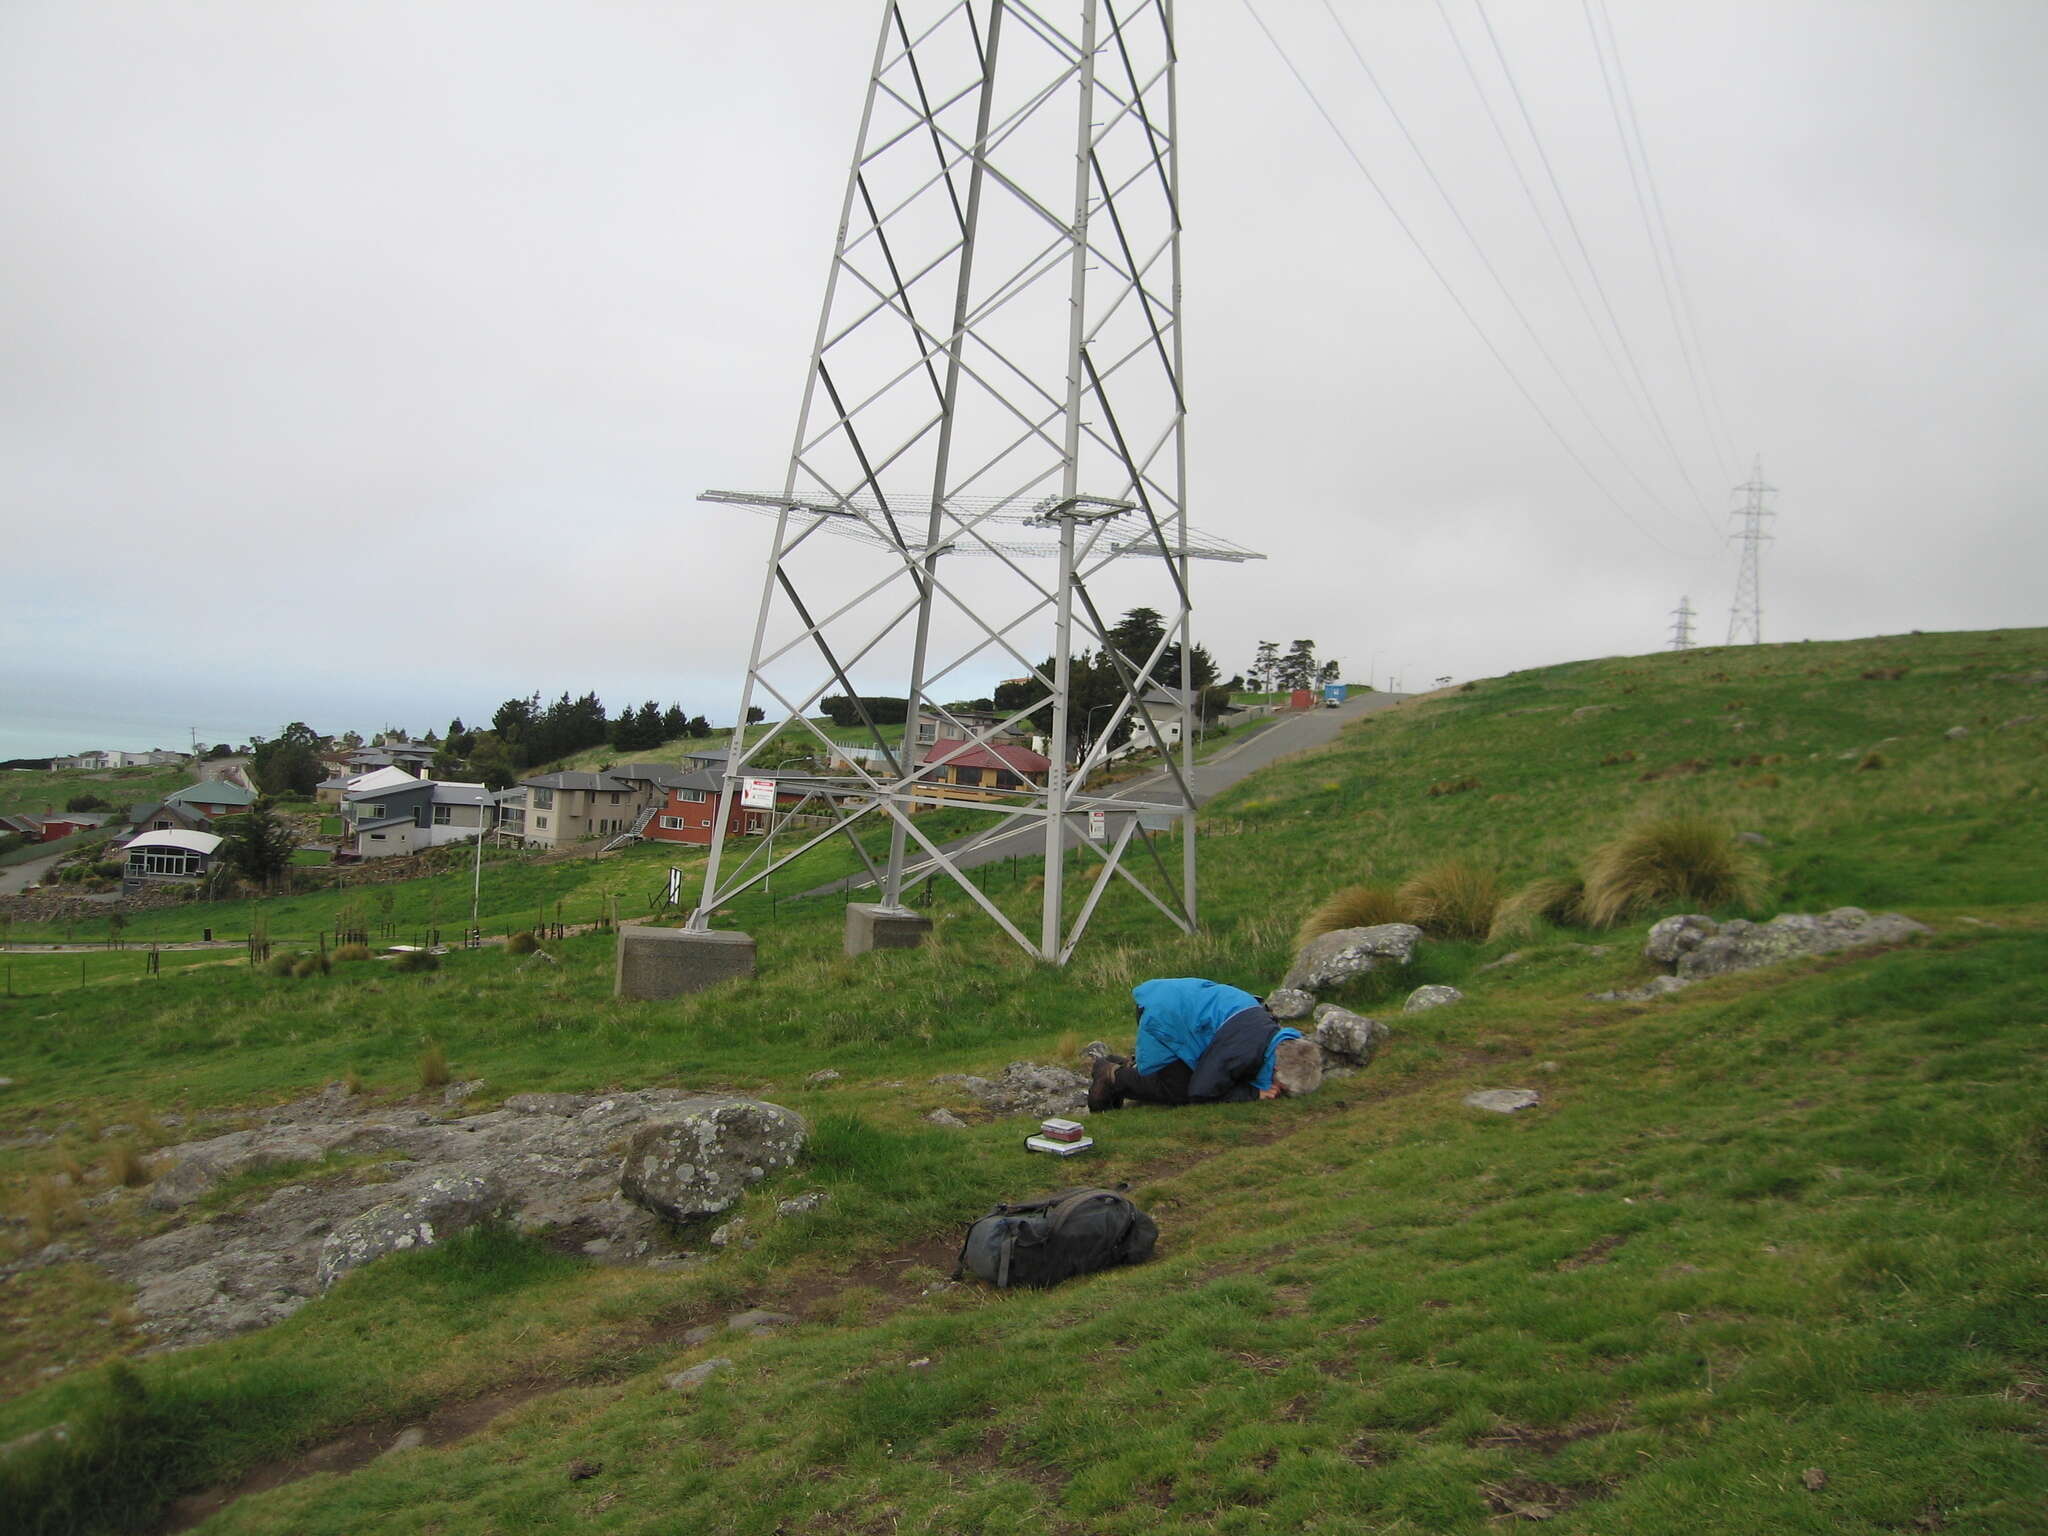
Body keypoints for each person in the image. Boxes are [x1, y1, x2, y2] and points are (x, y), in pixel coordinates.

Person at [1089, 977, 1323, 1111]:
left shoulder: (1273, 1037)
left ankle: (1128, 1066)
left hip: (1182, 1006)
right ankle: (1111, 1076)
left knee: (1202, 1075)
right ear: (1275, 1068)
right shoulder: (1244, 1051)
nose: (1277, 1092)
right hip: (1163, 1015)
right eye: (1280, 1087)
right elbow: (1201, 1091)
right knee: (1180, 1090)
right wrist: (1252, 1093)